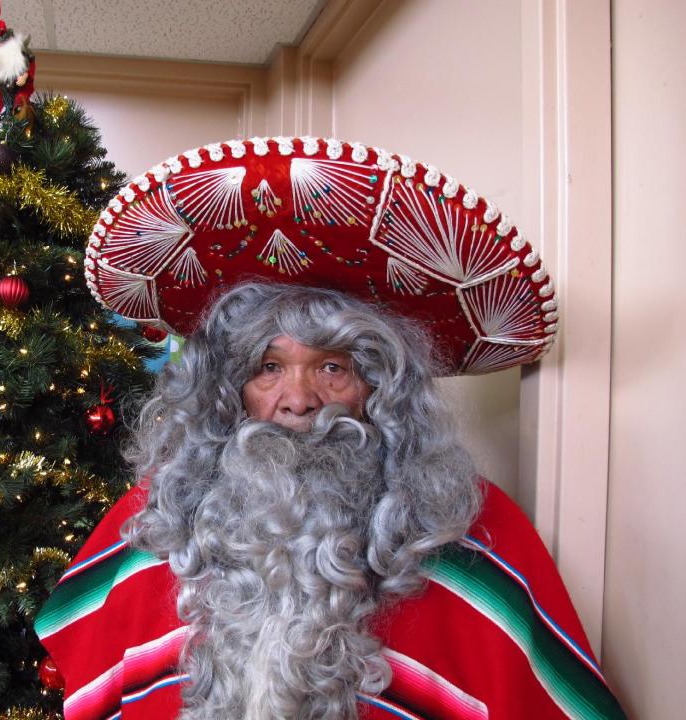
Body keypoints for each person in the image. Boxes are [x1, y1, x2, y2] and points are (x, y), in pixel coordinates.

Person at [35, 138, 627, 719]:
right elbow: (97, 662)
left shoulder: (468, 526)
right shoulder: (163, 510)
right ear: (228, 385)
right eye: (268, 368)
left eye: (332, 367)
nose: (298, 400)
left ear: (382, 385)